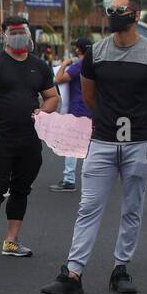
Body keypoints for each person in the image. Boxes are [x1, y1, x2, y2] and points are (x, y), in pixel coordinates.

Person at [41, 0, 147, 294]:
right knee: (89, 207)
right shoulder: (96, 54)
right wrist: (108, 120)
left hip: (138, 142)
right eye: (109, 9)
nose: (112, 13)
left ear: (136, 15)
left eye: (119, 9)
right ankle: (73, 273)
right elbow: (89, 97)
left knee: (131, 207)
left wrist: (139, 121)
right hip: (101, 141)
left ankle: (121, 268)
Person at [0, 18, 59, 260]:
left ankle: (11, 241)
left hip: (30, 140)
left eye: (23, 31)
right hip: (0, 139)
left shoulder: (39, 66)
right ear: (4, 34)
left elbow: (52, 97)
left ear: (30, 34)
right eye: (13, 31)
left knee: (21, 189)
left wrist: (44, 110)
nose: (18, 35)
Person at [50, 37, 92, 192]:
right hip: (91, 111)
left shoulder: (79, 66)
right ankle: (92, 179)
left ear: (78, 50)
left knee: (70, 146)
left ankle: (69, 180)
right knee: (89, 146)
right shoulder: (94, 66)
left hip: (77, 111)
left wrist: (63, 65)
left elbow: (58, 79)